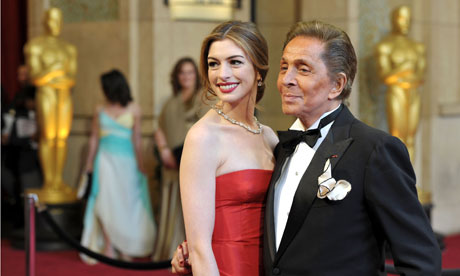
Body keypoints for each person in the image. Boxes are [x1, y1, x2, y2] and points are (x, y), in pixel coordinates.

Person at [173, 20, 441, 275]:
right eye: (284, 66)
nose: (287, 80)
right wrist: (194, 253)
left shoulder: (374, 150)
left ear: (337, 85)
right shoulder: (281, 146)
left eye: (303, 69)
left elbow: (420, 259)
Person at [178, 21, 278, 275]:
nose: (222, 74)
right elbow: (199, 248)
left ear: (258, 69)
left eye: (234, 62)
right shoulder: (203, 137)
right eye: (214, 64)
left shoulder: (269, 137)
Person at [80, 69, 156, 263]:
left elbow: (137, 140)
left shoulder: (134, 109)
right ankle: (109, 245)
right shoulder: (99, 109)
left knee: (127, 203)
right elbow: (94, 138)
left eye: (105, 88)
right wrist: (88, 164)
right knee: (105, 200)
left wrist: (140, 164)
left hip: (128, 163)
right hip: (104, 160)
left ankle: (126, 246)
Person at [23, 7, 78, 203]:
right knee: (48, 136)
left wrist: (51, 75)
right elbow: (35, 77)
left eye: (59, 20)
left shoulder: (68, 49)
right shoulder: (35, 46)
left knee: (61, 138)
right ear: (45, 22)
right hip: (46, 94)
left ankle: (58, 179)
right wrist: (56, 71)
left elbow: (71, 78)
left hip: (63, 95)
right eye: (53, 20)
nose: (56, 25)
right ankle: (49, 181)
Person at [152, 57, 204, 260]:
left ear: (196, 76)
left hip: (194, 164)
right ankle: (170, 249)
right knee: (172, 202)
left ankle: (191, 253)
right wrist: (164, 151)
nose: (186, 77)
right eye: (182, 73)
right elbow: (160, 129)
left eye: (190, 72)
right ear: (176, 76)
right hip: (171, 164)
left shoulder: (203, 99)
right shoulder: (170, 103)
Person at [375, 5, 426, 161]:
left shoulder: (417, 47)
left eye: (409, 19)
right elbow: (385, 76)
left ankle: (411, 182)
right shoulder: (385, 46)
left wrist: (400, 74)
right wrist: (406, 68)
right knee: (397, 138)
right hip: (396, 93)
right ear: (394, 20)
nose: (406, 23)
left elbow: (420, 75)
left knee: (411, 138)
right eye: (402, 18)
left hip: (413, 93)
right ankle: (398, 181)